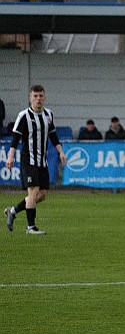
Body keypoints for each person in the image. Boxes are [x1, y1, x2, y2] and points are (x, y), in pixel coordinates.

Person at [4, 85, 68, 235]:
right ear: (30, 98)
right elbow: (15, 139)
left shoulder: (48, 115)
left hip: (42, 161)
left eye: (40, 96)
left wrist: (61, 152)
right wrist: (10, 156)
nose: (38, 99)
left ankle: (13, 211)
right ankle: (30, 227)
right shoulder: (24, 116)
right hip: (29, 160)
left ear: (44, 97)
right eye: (35, 96)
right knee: (33, 193)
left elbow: (53, 136)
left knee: (42, 194)